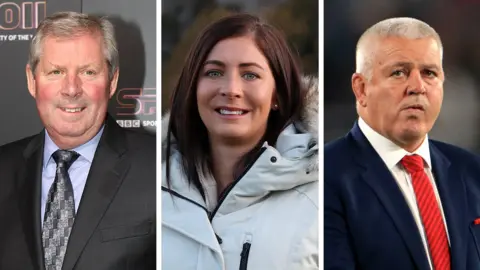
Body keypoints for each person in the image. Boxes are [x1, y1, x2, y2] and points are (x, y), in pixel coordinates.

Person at [161, 13, 319, 270]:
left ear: (276, 95)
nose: (231, 89)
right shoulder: (151, 193)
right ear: (193, 88)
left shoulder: (319, 200)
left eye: (250, 75)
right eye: (214, 72)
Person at [0, 11, 155, 270]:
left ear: (112, 80)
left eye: (88, 72)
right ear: (31, 81)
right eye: (56, 71)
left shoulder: (156, 168)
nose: (71, 89)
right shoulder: (3, 169)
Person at [325, 17, 480, 270]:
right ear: (361, 89)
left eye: (429, 73)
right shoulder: (327, 176)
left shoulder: (472, 171)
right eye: (399, 72)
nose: (417, 87)